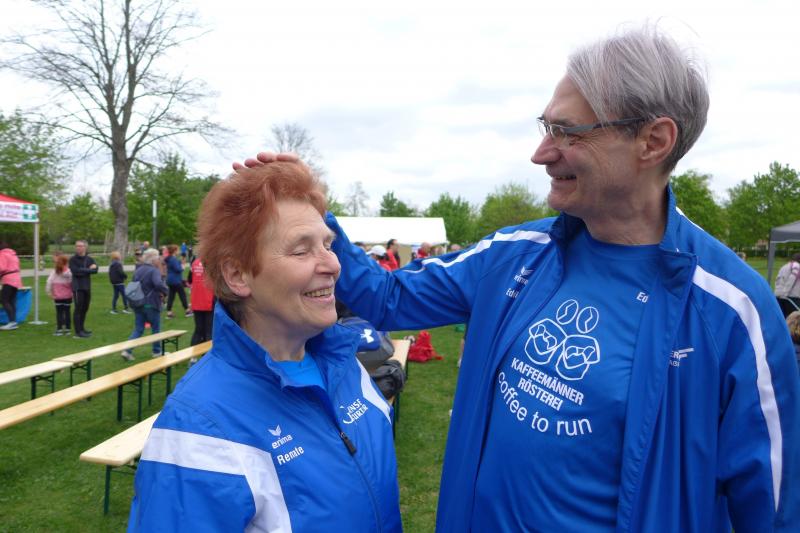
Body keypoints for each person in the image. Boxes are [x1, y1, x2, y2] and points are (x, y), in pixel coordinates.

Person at [236, 26, 800, 532]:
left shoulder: (731, 312)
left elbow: (774, 513)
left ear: (653, 141)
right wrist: (316, 212)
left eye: (568, 132)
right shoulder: (516, 254)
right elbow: (386, 297)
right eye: (546, 126)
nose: (541, 153)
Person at [128, 162, 401, 532]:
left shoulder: (345, 364)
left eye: (327, 244)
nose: (333, 264)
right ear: (238, 275)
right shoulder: (197, 426)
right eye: (301, 250)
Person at [120, 248, 168, 361]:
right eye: (157, 258)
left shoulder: (139, 269)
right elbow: (158, 284)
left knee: (139, 329)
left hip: (138, 303)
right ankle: (157, 351)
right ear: (153, 259)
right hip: (151, 303)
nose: (159, 260)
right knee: (156, 329)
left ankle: (127, 350)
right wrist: (166, 291)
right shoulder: (154, 271)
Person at [68, 240, 97, 337]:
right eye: (77, 246)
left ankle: (82, 328)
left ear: (85, 247)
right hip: (78, 287)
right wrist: (89, 269)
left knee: (85, 308)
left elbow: (95, 270)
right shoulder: (73, 260)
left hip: (87, 287)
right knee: (78, 309)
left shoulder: (89, 259)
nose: (78, 248)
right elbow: (75, 271)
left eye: (80, 246)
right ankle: (78, 332)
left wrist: (83, 270)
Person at [187, 254, 214, 346]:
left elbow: (189, 280)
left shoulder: (195, 263)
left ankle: (193, 352)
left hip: (196, 300)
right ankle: (207, 351)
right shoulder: (212, 264)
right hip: (209, 299)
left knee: (198, 329)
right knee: (209, 329)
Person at [46, 254, 73, 335]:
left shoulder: (54, 272)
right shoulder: (70, 272)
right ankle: (68, 329)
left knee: (59, 313)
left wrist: (49, 292)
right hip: (68, 296)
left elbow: (49, 282)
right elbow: (72, 282)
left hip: (57, 296)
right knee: (67, 312)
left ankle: (59, 330)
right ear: (66, 263)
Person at [164, 244, 191, 318]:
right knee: (182, 295)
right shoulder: (173, 259)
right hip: (176, 280)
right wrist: (182, 267)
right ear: (174, 251)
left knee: (171, 296)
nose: (179, 251)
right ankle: (187, 311)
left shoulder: (169, 258)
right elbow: (177, 269)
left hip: (170, 280)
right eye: (178, 250)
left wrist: (180, 263)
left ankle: (169, 312)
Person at [0, 242, 22, 330]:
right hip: (16, 279)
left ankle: (12, 322)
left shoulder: (2, 254)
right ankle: (13, 322)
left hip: (8, 279)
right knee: (11, 301)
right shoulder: (13, 254)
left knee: (4, 300)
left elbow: (1, 267)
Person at [774, 253, 800, 317]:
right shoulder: (796, 266)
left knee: (783, 316)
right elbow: (792, 279)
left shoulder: (784, 266)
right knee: (794, 318)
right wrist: (785, 293)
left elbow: (777, 280)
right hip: (791, 297)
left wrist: (778, 292)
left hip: (779, 296)